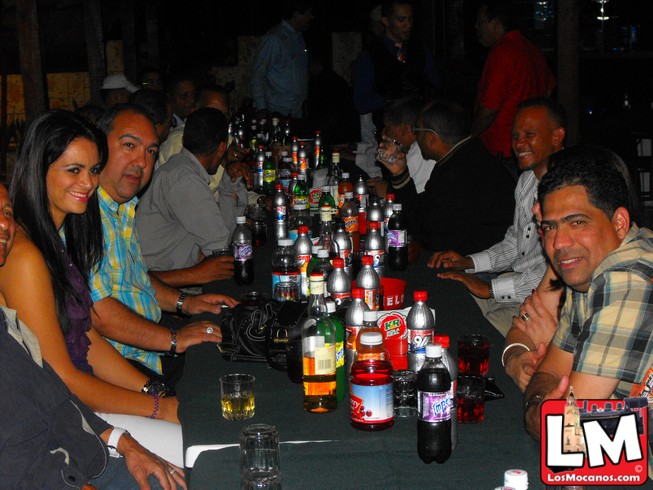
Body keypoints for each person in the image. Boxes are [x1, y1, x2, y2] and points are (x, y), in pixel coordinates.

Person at [4, 109, 185, 466]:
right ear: (39, 170)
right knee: (194, 444)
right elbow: (59, 376)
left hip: (83, 400)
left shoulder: (55, 240)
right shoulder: (24, 256)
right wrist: (159, 409)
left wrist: (152, 390)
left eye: (94, 169)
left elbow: (87, 339)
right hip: (60, 418)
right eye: (74, 170)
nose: (88, 183)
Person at [89, 104, 237, 386]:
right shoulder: (84, 217)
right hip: (124, 366)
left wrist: (186, 302)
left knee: (235, 345)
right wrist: (174, 339)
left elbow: (136, 280)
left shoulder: (122, 209)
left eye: (150, 151)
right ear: (98, 146)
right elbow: (100, 314)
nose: (142, 162)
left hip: (152, 345)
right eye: (129, 145)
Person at [522, 146, 653, 446]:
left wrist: (535, 411)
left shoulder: (626, 279)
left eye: (577, 222)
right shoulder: (591, 269)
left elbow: (565, 433)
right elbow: (549, 373)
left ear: (619, 223)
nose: (559, 243)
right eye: (550, 227)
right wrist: (539, 404)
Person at [503, 147, 643, 391]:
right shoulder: (565, 262)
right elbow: (520, 329)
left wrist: (556, 343)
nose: (537, 208)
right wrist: (515, 359)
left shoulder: (627, 276)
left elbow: (579, 408)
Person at [429, 97, 566, 335]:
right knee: (444, 298)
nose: (519, 143)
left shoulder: (569, 188)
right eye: (515, 136)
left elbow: (555, 273)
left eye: (529, 134)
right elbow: (515, 242)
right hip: (513, 283)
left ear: (557, 136)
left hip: (548, 301)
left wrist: (490, 288)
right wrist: (468, 262)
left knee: (471, 335)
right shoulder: (527, 179)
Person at [382, 100, 514, 254]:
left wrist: (399, 174)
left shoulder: (461, 170)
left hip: (480, 263)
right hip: (469, 252)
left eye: (417, 131)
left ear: (431, 138)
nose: (415, 137)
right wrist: (400, 173)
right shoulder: (466, 155)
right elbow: (426, 212)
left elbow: (429, 232)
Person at [136, 108, 234, 288]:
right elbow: (221, 247)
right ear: (222, 147)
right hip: (157, 284)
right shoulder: (183, 178)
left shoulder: (180, 169)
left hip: (166, 276)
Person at [472, 0, 555, 165]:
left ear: (495, 23)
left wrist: (468, 137)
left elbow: (489, 108)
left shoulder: (502, 52)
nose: (476, 27)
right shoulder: (531, 48)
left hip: (504, 149)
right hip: (531, 146)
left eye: (481, 22)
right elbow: (548, 90)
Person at [353, 1, 440, 134]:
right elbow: (361, 104)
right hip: (387, 133)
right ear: (386, 21)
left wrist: (422, 90)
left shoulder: (420, 50)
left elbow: (436, 88)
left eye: (411, 19)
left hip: (421, 130)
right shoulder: (369, 56)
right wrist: (391, 97)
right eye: (401, 20)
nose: (408, 25)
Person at [251, 1, 314, 119]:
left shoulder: (298, 38)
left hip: (298, 108)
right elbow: (258, 74)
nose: (311, 17)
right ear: (296, 14)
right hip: (278, 110)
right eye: (308, 14)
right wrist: (262, 107)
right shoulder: (274, 38)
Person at [368, 96, 436, 197]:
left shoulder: (420, 152)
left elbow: (412, 200)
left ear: (404, 128)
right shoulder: (413, 151)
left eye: (387, 127)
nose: (383, 133)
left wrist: (387, 190)